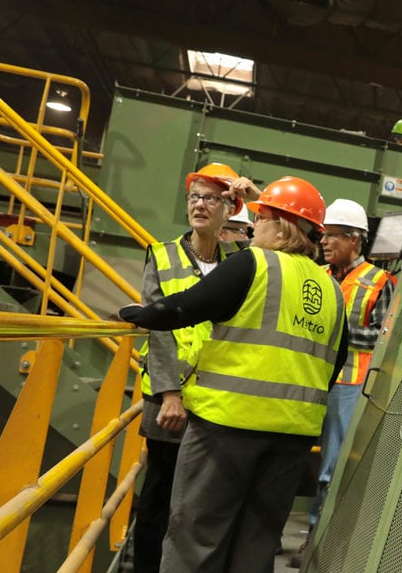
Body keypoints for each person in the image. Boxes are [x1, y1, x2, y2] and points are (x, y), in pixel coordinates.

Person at [119, 176, 348, 573]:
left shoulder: (253, 263)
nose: (253, 226)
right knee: (257, 540)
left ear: (279, 224)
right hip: (293, 437)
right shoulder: (332, 290)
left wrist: (141, 315)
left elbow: (183, 308)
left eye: (260, 218)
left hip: (227, 428)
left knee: (197, 535)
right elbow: (335, 361)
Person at [132, 162, 247, 573]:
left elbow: (284, 252)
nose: (200, 205)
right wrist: (169, 395)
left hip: (217, 400)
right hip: (171, 403)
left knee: (204, 501)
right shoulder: (162, 256)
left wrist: (255, 195)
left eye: (211, 198)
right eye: (194, 197)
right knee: (159, 501)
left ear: (229, 207)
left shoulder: (242, 259)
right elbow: (156, 329)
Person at [290, 199, 396, 568]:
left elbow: (380, 337)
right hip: (308, 381)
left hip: (348, 384)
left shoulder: (379, 281)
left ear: (355, 240)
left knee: (330, 469)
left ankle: (316, 544)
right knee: (286, 461)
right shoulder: (317, 274)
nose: (325, 243)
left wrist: (333, 332)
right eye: (324, 235)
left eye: (333, 236)